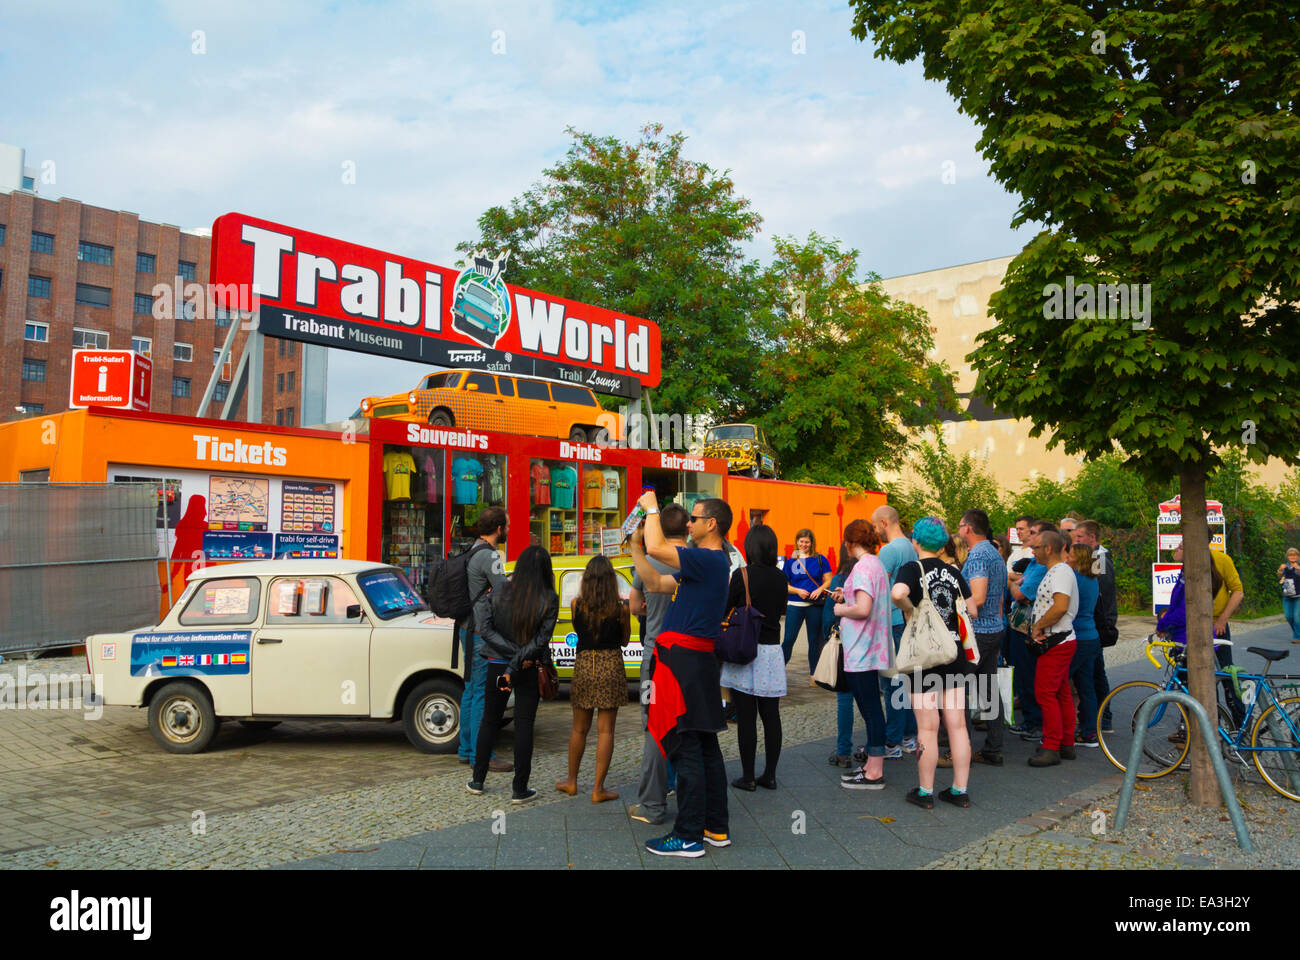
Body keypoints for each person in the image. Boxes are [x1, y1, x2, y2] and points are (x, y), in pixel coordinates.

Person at [631, 493, 733, 858]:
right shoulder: (708, 565)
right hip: (696, 663)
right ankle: (714, 827)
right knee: (705, 747)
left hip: (684, 664)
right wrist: (635, 551)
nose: (688, 524)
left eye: (695, 518)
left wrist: (653, 507)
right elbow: (657, 584)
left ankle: (688, 834)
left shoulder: (706, 558)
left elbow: (659, 545)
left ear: (712, 525)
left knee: (686, 747)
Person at [891, 516, 978, 808]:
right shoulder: (953, 571)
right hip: (953, 652)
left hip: (924, 655)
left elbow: (897, 593)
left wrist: (909, 610)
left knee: (927, 727)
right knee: (957, 725)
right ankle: (959, 790)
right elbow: (973, 609)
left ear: (915, 541)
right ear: (942, 544)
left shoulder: (911, 568)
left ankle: (925, 793)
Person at [467, 545, 558, 802]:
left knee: (490, 719)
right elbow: (541, 640)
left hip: (497, 663)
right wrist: (520, 657)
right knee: (524, 724)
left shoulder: (499, 591)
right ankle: (519, 788)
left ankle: (478, 779)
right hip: (527, 666)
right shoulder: (549, 597)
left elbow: (485, 629)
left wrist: (510, 657)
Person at [627, 503, 688, 826]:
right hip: (690, 654)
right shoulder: (695, 561)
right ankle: (681, 786)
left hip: (655, 652)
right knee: (686, 722)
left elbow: (636, 605)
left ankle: (653, 802)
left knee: (654, 725)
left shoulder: (649, 561)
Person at [556, 555, 631, 803]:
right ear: (611, 581)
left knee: (579, 727)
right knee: (606, 730)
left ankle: (571, 781)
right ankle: (598, 789)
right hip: (611, 663)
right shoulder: (621, 609)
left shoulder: (577, 604)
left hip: (585, 663)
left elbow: (580, 633)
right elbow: (624, 640)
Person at [720, 525, 789, 790]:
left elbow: (726, 607)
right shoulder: (781, 578)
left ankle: (748, 776)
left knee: (746, 717)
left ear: (750, 547)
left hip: (745, 650)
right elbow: (781, 609)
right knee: (772, 716)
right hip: (772, 651)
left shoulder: (742, 575)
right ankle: (769, 775)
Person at [834, 519, 894, 790]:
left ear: (849, 542)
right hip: (872, 645)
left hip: (861, 647)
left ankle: (874, 771)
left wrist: (840, 610)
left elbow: (862, 608)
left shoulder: (862, 567)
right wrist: (845, 596)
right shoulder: (876, 564)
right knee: (872, 709)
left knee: (870, 710)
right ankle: (872, 764)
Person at [457, 507, 513, 773]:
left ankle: (466, 748)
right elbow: (502, 591)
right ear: (499, 529)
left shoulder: (471, 549)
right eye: (508, 526)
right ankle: (483, 755)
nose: (509, 530)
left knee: (469, 689)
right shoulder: (491, 555)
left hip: (466, 627)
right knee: (481, 692)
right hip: (481, 631)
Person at [955, 508, 1008, 765]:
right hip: (994, 628)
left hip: (977, 632)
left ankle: (960, 748)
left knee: (959, 689)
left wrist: (950, 611)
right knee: (988, 689)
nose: (957, 530)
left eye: (959, 525)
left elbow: (978, 598)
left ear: (967, 528)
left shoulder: (977, 556)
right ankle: (993, 748)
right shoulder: (995, 554)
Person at [1026, 530, 1079, 767]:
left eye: (1036, 547)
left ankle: (1052, 745)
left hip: (1057, 640)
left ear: (1048, 548)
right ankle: (1065, 741)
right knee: (1060, 692)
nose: (1033, 551)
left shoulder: (1060, 572)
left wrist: (1039, 626)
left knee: (1045, 692)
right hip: (1060, 639)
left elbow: (1060, 606)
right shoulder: (1059, 571)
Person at [871, 505, 919, 759]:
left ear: (884, 522)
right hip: (908, 618)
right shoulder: (912, 546)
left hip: (892, 621)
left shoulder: (889, 550)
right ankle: (910, 736)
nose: (875, 531)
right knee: (907, 681)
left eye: (876, 526)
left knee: (892, 684)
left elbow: (877, 587)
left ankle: (892, 741)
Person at [1008, 520, 1056, 742]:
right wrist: (1017, 582)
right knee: (1022, 676)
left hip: (1030, 629)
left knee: (1029, 677)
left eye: (1034, 533)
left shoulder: (1043, 567)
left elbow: (1021, 594)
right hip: (1019, 627)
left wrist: (1014, 584)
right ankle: (1031, 721)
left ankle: (1035, 723)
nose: (1029, 536)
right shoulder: (1034, 563)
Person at [1072, 520, 1116, 733]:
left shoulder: (1099, 559)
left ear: (1092, 538)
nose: (1076, 540)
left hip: (1097, 625)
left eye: (1080, 537)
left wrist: (1104, 623)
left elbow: (1102, 596)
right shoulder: (1092, 558)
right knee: (1092, 674)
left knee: (1096, 673)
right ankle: (1099, 717)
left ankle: (1104, 716)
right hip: (1094, 624)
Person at [781, 528, 833, 683]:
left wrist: (819, 589)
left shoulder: (820, 559)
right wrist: (798, 591)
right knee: (789, 639)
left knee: (814, 641)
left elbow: (829, 580)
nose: (804, 544)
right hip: (795, 604)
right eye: (801, 541)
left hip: (814, 605)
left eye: (807, 542)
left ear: (812, 543)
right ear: (797, 542)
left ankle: (813, 675)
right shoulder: (791, 562)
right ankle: (778, 671)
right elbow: (784, 585)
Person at [825, 544, 860, 767]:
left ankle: (843, 751)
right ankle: (877, 748)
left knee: (845, 697)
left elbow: (829, 618)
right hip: (868, 643)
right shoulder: (869, 574)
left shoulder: (841, 577)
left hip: (847, 640)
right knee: (871, 698)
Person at [1066, 543, 1101, 747]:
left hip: (1077, 636)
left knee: (1061, 682)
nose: (1067, 557)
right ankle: (1089, 731)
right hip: (1091, 636)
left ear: (1077, 557)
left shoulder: (1074, 578)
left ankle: (1066, 729)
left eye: (1069, 554)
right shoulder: (1092, 579)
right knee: (1086, 686)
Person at [1211, 547, 1247, 727]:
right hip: (1192, 628)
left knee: (1226, 675)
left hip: (1216, 626)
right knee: (1192, 678)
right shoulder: (1187, 557)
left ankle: (1241, 724)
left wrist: (1222, 619)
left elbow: (1238, 591)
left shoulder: (1221, 559)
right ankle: (1202, 725)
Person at [1279, 548, 1300, 644]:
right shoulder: (1285, 566)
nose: (1293, 557)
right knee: (1288, 616)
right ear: (1287, 557)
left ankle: (1297, 636)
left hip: (1298, 596)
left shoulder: (1299, 566)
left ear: (1298, 556)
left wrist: (1298, 569)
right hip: (1287, 595)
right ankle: (1297, 632)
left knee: (1296, 616)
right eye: (1290, 555)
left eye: (1295, 555)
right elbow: (1280, 577)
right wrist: (1280, 570)